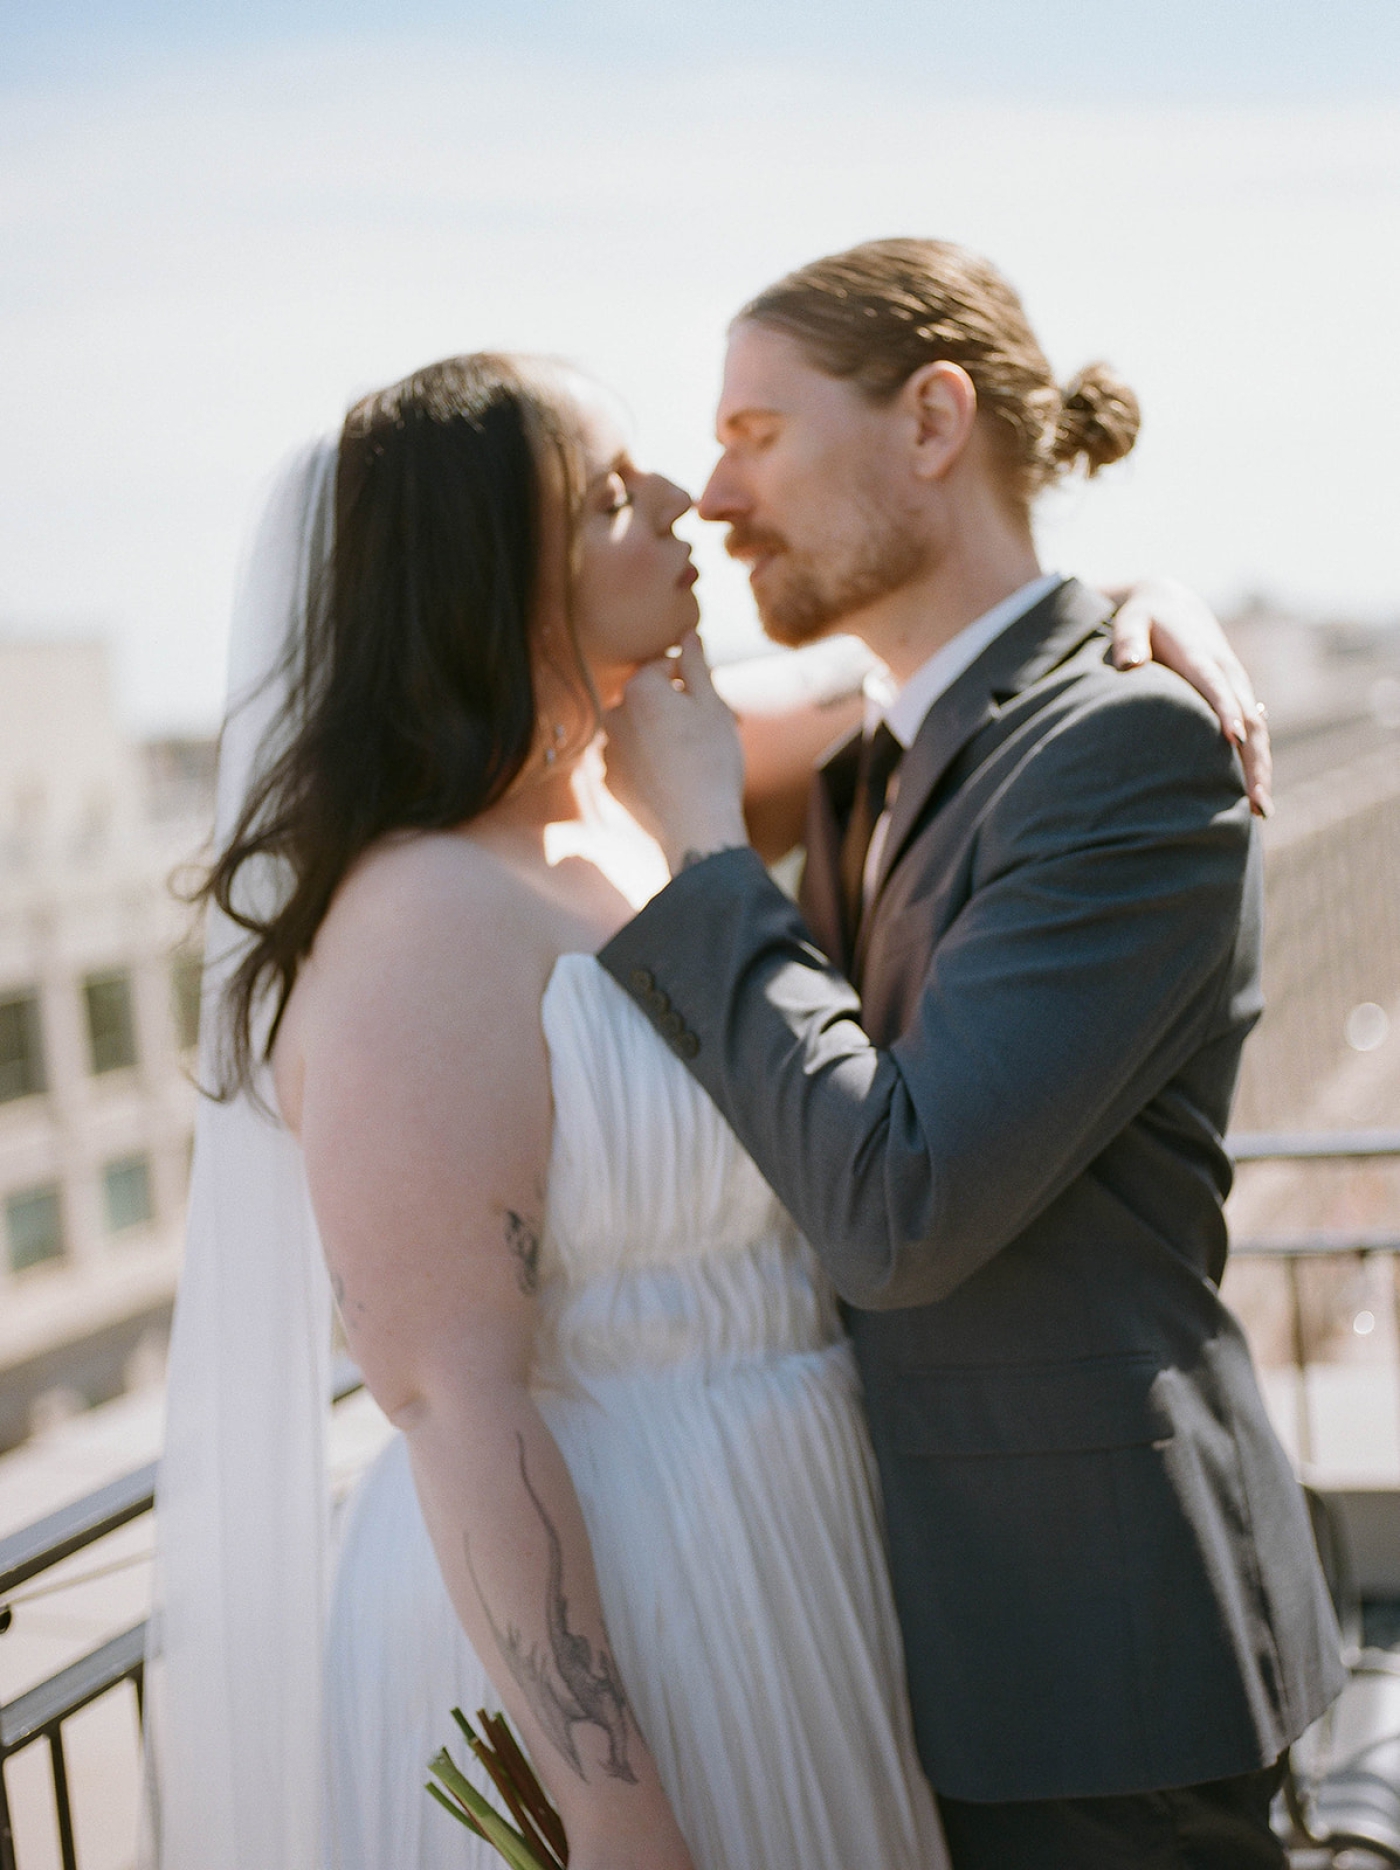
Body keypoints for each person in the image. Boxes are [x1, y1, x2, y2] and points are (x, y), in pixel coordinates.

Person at [143, 343, 1278, 1870]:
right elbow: (448, 1402)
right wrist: (615, 1812)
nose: (679, 500)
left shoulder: (640, 794)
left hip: (791, 1568)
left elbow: (962, 674)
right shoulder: (419, 913)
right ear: (503, 578)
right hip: (639, 1621)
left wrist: (1152, 603)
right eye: (613, 496)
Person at [597, 238, 1345, 1870]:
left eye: (756, 433)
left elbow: (905, 1207)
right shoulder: (884, 744)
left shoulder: (1132, 743)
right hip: (919, 1633)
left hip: (1098, 1650)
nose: (714, 499)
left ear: (935, 420)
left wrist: (714, 848)